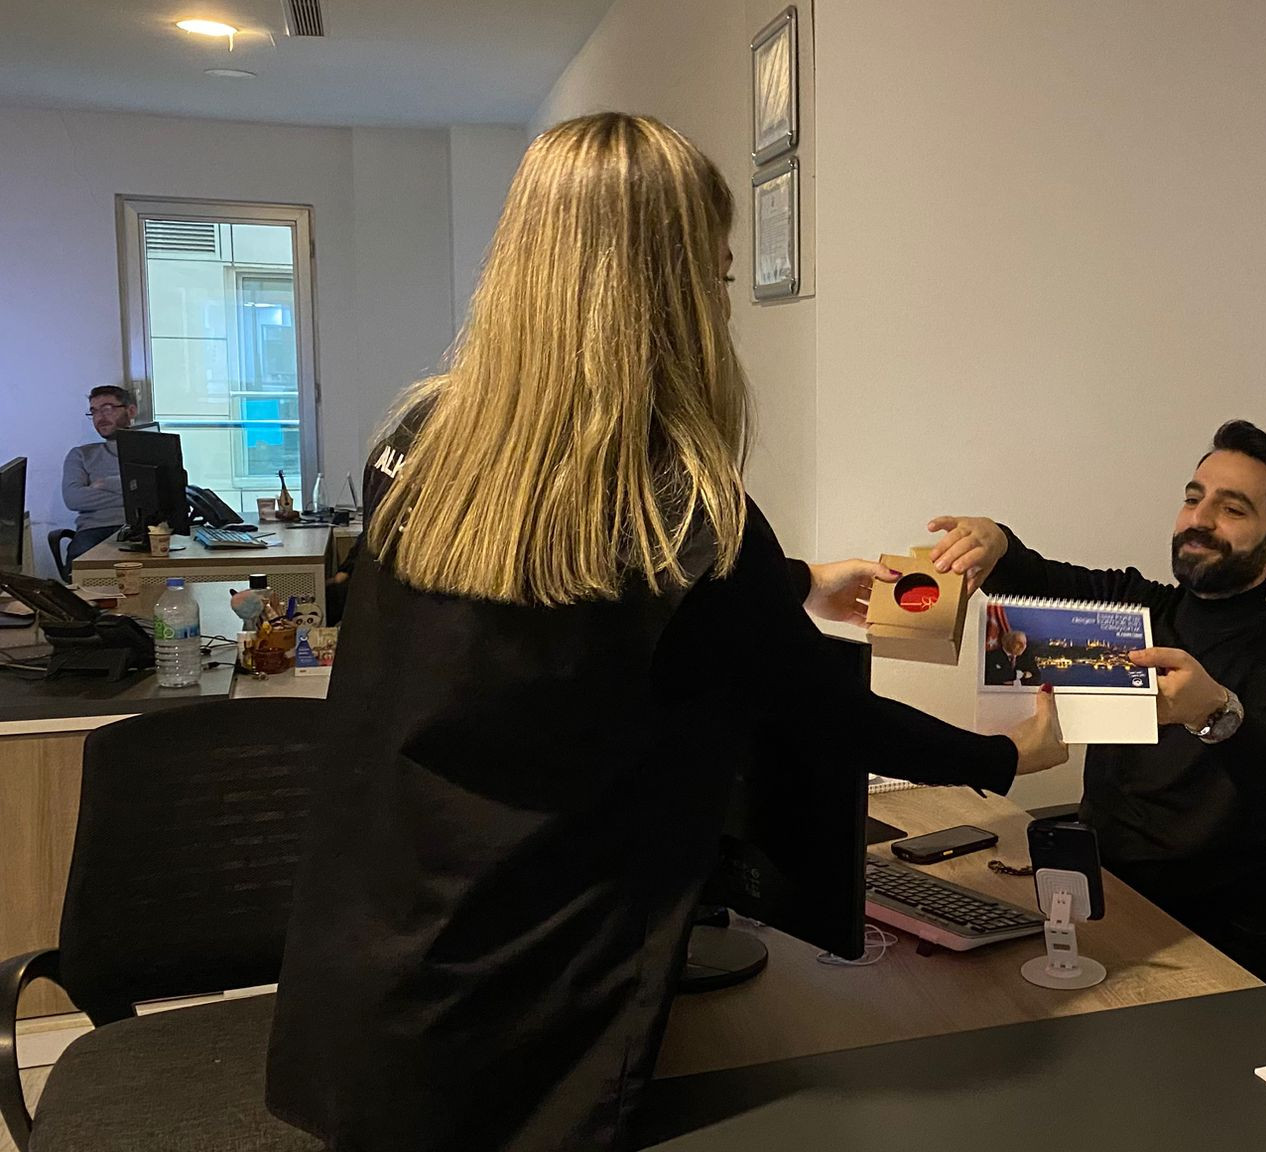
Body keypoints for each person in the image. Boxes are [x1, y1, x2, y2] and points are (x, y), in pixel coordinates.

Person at [263, 113, 1067, 1152]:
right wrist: (1007, 757)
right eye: (720, 277)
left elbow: (545, 601)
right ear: (669, 291)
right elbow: (816, 714)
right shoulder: (684, 510)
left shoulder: (421, 442)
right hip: (526, 997)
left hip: (371, 964)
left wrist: (794, 582)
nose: (724, 305)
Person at [922, 420, 1266, 978]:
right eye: (1192, 499)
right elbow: (1034, 577)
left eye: (1231, 509)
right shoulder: (1132, 608)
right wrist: (995, 541)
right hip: (1094, 891)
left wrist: (1213, 711)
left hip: (1207, 935)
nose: (1199, 519)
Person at [60, 385, 138, 560]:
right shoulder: (80, 455)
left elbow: (166, 494)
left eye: (107, 409)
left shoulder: (153, 450)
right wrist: (136, 494)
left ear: (131, 411)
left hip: (143, 528)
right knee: (83, 565)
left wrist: (105, 484)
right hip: (95, 530)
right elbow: (74, 499)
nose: (100, 417)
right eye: (94, 411)